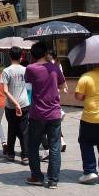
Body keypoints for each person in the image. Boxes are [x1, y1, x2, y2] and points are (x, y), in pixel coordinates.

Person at [24, 42, 65, 188]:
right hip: (54, 112)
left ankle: (37, 176)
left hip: (37, 113)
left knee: (33, 146)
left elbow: (28, 83)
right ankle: (53, 180)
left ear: (33, 54)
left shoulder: (31, 68)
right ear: (45, 53)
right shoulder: (54, 68)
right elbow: (61, 85)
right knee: (55, 146)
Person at [1, 46, 30, 164]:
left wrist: (15, 104)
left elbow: (5, 91)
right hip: (25, 103)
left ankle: (11, 154)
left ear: (9, 56)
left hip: (11, 105)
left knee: (12, 129)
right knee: (24, 130)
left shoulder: (6, 71)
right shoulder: (26, 70)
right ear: (21, 56)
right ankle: (25, 156)